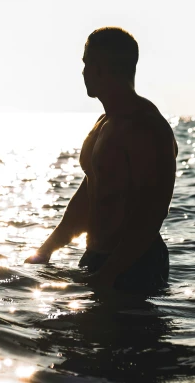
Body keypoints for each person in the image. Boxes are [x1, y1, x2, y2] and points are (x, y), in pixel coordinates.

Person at [25, 27, 178, 292]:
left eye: (87, 63)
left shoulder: (145, 126)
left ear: (102, 68)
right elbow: (89, 194)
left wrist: (110, 273)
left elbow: (152, 212)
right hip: (98, 258)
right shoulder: (103, 124)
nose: (83, 72)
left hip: (135, 266)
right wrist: (47, 249)